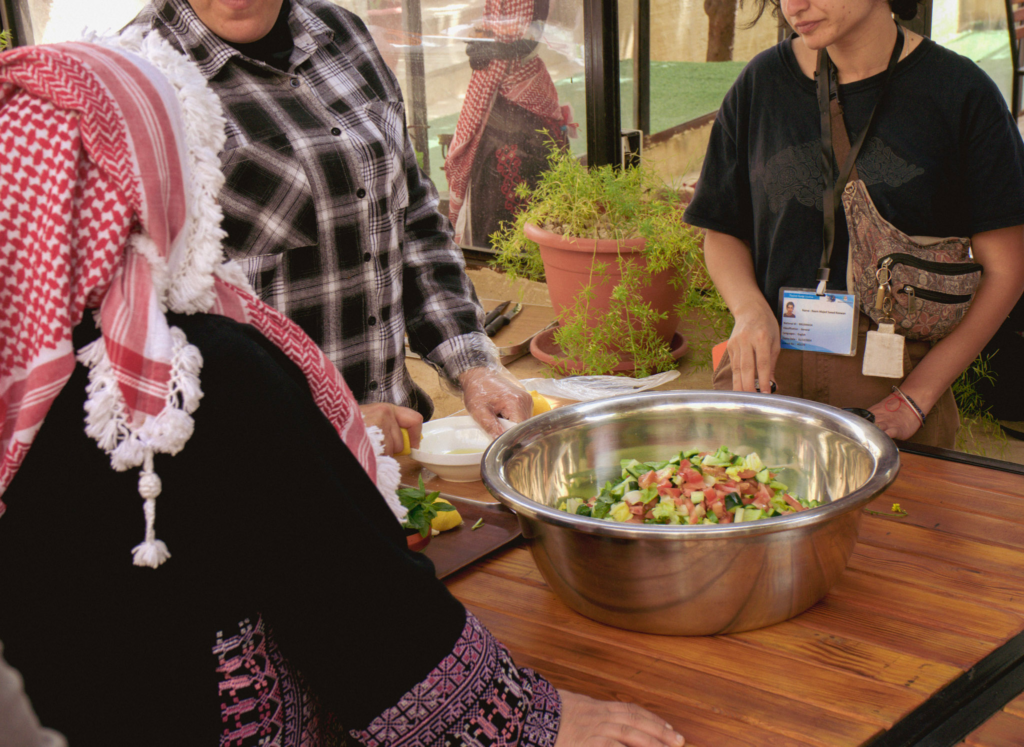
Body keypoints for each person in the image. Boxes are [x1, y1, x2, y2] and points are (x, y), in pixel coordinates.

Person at [0, 37, 686, 747]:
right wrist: (529, 717)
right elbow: (354, 603)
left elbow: (416, 221)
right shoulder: (207, 369)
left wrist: (463, 358)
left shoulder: (25, 368)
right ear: (158, 174)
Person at [125, 0, 533, 452]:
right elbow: (141, 327)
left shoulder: (341, 33)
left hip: (394, 435)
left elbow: (411, 216)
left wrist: (474, 365)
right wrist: (331, 419)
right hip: (270, 461)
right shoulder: (137, 77)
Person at [683, 0, 1024, 447]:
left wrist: (916, 398)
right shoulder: (762, 83)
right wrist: (748, 312)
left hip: (892, 383)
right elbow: (721, 228)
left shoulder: (959, 92)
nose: (795, 6)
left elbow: (1007, 269)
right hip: (770, 373)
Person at [445, 0, 575, 248]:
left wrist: (492, 51)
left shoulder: (536, 4)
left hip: (523, 85)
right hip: (495, 92)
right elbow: (489, 34)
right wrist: (479, 47)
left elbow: (529, 41)